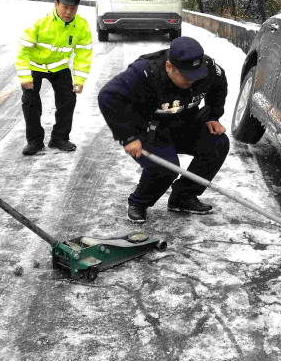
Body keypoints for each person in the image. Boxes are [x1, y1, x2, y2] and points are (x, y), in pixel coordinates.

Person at [97, 36, 229, 224]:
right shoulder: (144, 73)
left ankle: (183, 197)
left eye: (196, 76)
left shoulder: (207, 69)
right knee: (165, 167)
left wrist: (213, 116)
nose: (191, 82)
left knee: (218, 143)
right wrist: (127, 137)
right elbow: (108, 97)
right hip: (149, 129)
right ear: (169, 67)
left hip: (184, 123)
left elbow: (219, 84)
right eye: (186, 77)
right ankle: (138, 203)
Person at [15, 0, 92, 156]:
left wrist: (79, 81)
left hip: (59, 67)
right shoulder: (40, 22)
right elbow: (23, 50)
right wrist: (25, 76)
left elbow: (83, 54)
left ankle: (59, 138)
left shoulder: (81, 26)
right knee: (31, 102)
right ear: (56, 4)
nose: (68, 12)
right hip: (35, 66)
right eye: (65, 7)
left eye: (73, 8)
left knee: (68, 100)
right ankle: (34, 142)